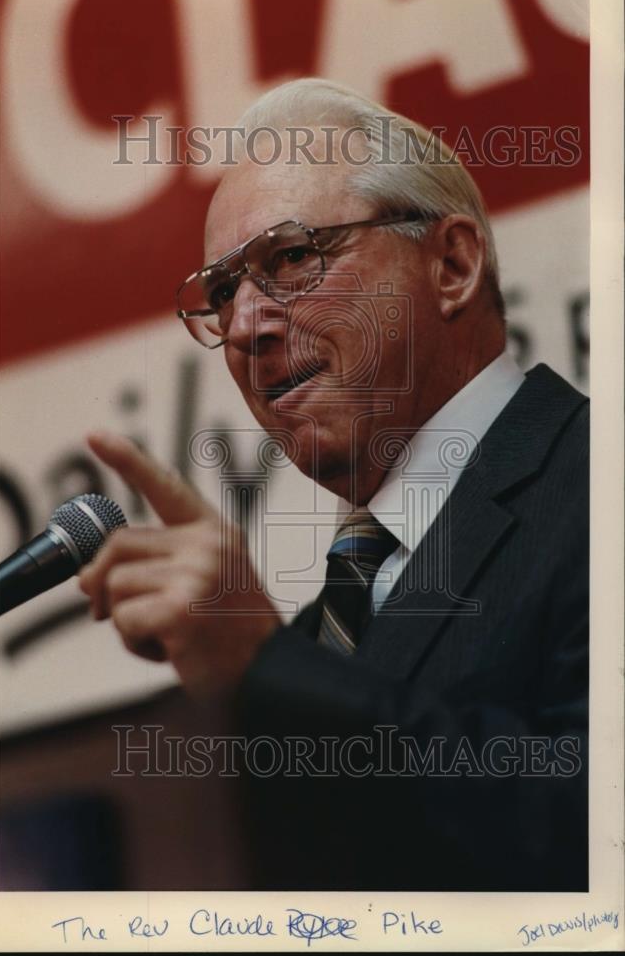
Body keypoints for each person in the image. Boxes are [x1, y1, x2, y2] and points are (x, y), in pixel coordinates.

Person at [79, 79, 588, 890]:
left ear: (451, 265)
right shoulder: (321, 637)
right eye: (222, 293)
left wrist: (271, 667)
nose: (246, 326)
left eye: (289, 258)